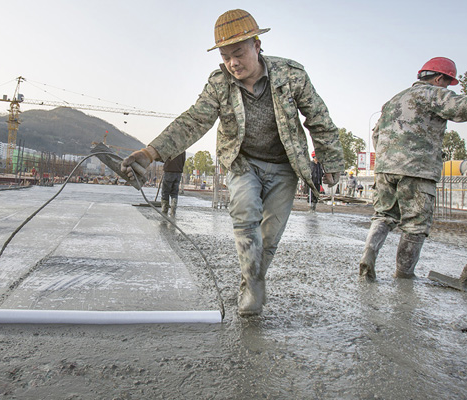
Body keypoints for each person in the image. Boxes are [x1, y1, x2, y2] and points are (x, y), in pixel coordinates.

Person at [120, 9, 344, 316]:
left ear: (257, 45)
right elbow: (193, 121)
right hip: (242, 162)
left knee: (269, 237)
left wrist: (331, 159)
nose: (233, 63)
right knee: (244, 214)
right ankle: (252, 285)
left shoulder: (292, 75)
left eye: (238, 53)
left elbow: (318, 118)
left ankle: (253, 277)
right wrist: (150, 153)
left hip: (284, 167)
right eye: (225, 57)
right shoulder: (219, 83)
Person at [359, 56, 467, 281]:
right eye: (447, 84)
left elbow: (377, 134)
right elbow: (464, 107)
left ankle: (368, 255)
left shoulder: (393, 101)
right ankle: (404, 274)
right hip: (418, 170)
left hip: (385, 169)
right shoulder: (432, 94)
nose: (448, 88)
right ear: (439, 78)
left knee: (383, 216)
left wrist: (386, 161)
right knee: (416, 225)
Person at [161, 151, 186, 218]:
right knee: (174, 192)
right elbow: (183, 160)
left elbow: (163, 157)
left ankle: (164, 210)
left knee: (165, 192)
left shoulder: (170, 146)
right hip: (178, 172)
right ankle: (173, 210)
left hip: (169, 170)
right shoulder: (183, 149)